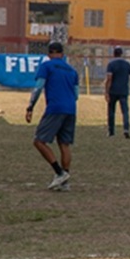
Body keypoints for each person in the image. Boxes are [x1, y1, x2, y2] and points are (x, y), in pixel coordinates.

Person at [25, 41, 80, 192]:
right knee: (64, 144)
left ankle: (59, 172)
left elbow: (38, 88)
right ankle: (65, 182)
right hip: (71, 109)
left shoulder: (46, 66)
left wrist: (30, 106)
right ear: (62, 54)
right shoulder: (72, 70)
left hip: (55, 108)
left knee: (39, 141)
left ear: (49, 54)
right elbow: (76, 94)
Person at [104, 47, 130, 138]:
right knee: (125, 111)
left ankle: (111, 131)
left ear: (114, 54)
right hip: (123, 91)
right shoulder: (127, 64)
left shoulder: (111, 64)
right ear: (121, 54)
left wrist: (106, 92)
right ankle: (126, 129)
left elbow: (109, 79)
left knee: (111, 111)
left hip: (113, 91)